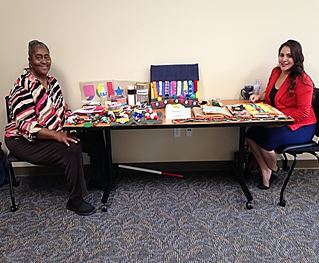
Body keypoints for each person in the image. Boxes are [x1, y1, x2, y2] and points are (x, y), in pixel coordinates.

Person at [5, 40, 107, 215]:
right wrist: (57, 136)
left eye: (46, 56)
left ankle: (98, 179)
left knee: (94, 134)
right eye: (38, 57)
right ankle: (75, 199)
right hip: (23, 140)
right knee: (71, 147)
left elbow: (63, 111)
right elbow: (26, 125)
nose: (44, 61)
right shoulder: (22, 86)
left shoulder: (53, 82)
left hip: (53, 131)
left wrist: (79, 121)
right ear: (30, 61)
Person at [246, 39, 316, 190]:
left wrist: (280, 121)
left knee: (266, 141)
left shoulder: (303, 80)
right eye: (281, 55)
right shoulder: (276, 71)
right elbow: (271, 94)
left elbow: (303, 112)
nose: (284, 59)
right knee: (250, 134)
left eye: (289, 56)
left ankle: (272, 169)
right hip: (280, 120)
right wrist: (259, 97)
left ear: (297, 58)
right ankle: (265, 168)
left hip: (301, 126)